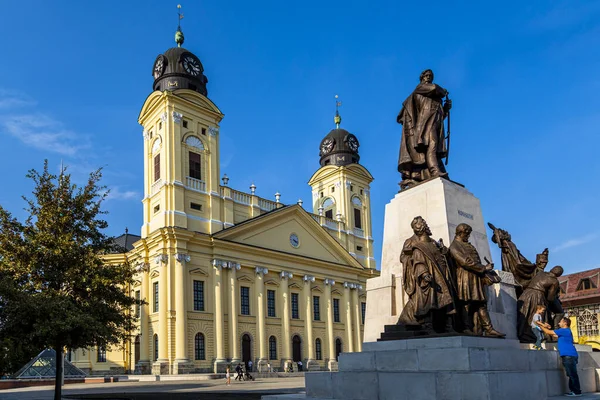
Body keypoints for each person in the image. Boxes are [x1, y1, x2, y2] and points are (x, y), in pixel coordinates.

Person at [397, 216, 457, 333]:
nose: (426, 225)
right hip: (425, 275)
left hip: (440, 274)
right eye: (423, 223)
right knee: (428, 301)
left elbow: (442, 255)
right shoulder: (411, 242)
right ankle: (427, 324)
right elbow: (405, 258)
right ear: (418, 227)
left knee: (445, 300)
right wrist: (421, 271)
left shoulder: (433, 242)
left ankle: (447, 325)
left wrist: (444, 250)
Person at [396, 69, 452, 189]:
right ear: (422, 78)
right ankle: (434, 171)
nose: (428, 77)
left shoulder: (434, 99)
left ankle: (436, 170)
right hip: (425, 125)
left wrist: (445, 109)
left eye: (430, 76)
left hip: (435, 124)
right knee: (432, 145)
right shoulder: (421, 88)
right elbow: (435, 88)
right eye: (426, 76)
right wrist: (443, 91)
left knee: (434, 148)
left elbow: (439, 116)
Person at [448, 223, 505, 337]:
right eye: (467, 234)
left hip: (475, 277)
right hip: (464, 278)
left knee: (481, 303)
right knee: (466, 303)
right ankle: (465, 327)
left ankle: (489, 329)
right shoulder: (455, 246)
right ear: (460, 233)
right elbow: (465, 262)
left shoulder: (467, 244)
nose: (468, 236)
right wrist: (484, 268)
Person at [517, 266, 563, 342]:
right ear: (559, 275)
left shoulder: (540, 273)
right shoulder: (554, 281)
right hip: (537, 296)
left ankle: (522, 333)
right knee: (538, 314)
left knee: (525, 314)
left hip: (526, 294)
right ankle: (537, 336)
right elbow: (550, 298)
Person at [539, 317, 582, 397]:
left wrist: (539, 325)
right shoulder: (565, 332)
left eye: (560, 322)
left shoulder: (564, 330)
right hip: (570, 355)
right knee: (571, 374)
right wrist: (546, 326)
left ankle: (577, 391)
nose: (559, 323)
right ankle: (574, 390)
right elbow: (554, 335)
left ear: (565, 323)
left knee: (572, 374)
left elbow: (549, 332)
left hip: (568, 355)